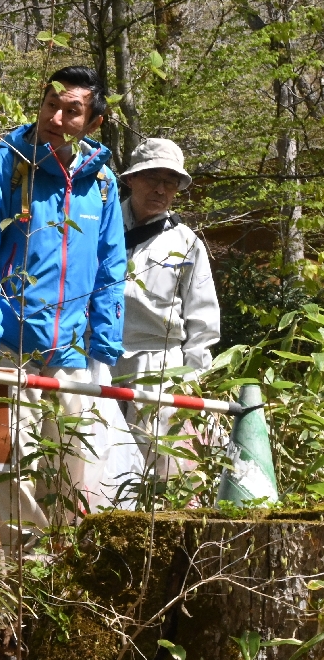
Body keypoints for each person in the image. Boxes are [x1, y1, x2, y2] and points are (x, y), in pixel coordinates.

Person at [0, 65, 127, 552]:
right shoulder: (7, 165)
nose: (55, 116)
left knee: (78, 471)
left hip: (73, 356)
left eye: (71, 110)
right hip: (13, 350)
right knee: (15, 468)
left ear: (92, 123)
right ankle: (26, 575)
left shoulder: (103, 184)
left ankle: (70, 574)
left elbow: (112, 266)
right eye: (49, 104)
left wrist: (104, 348)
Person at [117, 138, 220, 479]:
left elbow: (202, 321)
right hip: (100, 359)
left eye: (170, 181)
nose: (161, 189)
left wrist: (190, 381)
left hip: (159, 364)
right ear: (132, 178)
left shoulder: (186, 242)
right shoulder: (100, 226)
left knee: (164, 469)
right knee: (100, 463)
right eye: (152, 178)